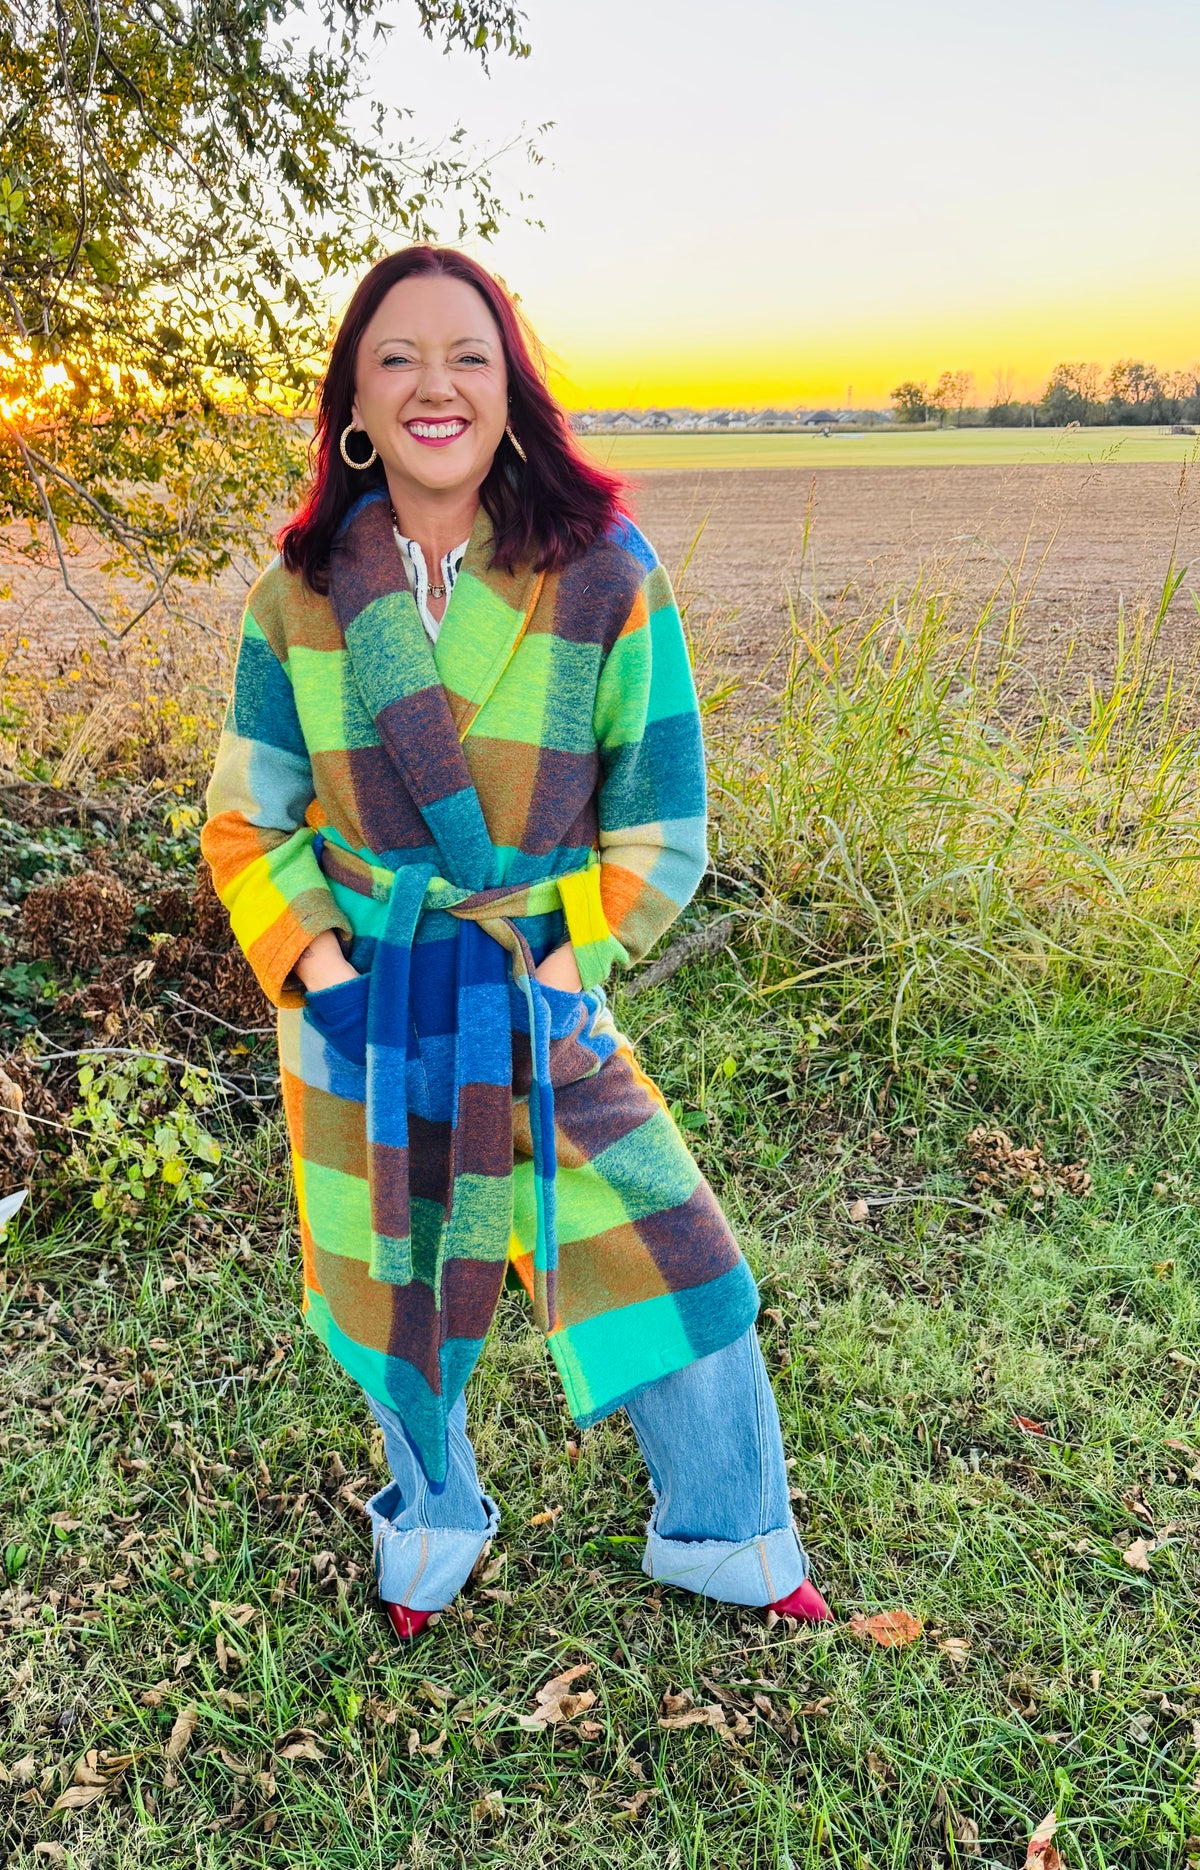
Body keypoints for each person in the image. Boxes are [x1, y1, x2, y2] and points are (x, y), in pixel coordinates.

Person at [201, 245, 831, 1640]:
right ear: (355, 399)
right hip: (368, 992)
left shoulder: (604, 573)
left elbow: (662, 820)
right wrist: (325, 974)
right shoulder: (298, 596)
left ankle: (730, 1532)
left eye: (468, 356)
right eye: (400, 357)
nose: (437, 383)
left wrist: (566, 965)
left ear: (510, 389)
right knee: (391, 1275)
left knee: (668, 1244)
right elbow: (249, 821)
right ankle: (428, 1525)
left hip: (533, 984)